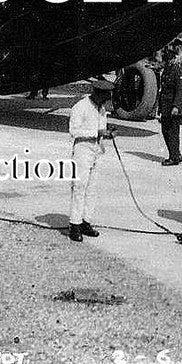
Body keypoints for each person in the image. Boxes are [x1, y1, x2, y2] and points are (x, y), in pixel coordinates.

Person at [67, 77, 114, 242]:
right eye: (104, 97)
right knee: (79, 187)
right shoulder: (80, 107)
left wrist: (106, 134)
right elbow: (73, 131)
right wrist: (97, 132)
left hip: (96, 151)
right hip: (82, 150)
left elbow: (101, 128)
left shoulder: (101, 109)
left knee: (92, 189)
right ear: (97, 93)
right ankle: (75, 224)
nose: (105, 101)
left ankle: (86, 222)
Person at [158, 39, 182, 166]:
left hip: (173, 105)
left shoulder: (178, 67)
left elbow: (180, 89)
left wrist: (176, 106)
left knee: (171, 131)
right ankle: (175, 154)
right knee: (168, 130)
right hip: (167, 104)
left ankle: (174, 156)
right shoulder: (170, 65)